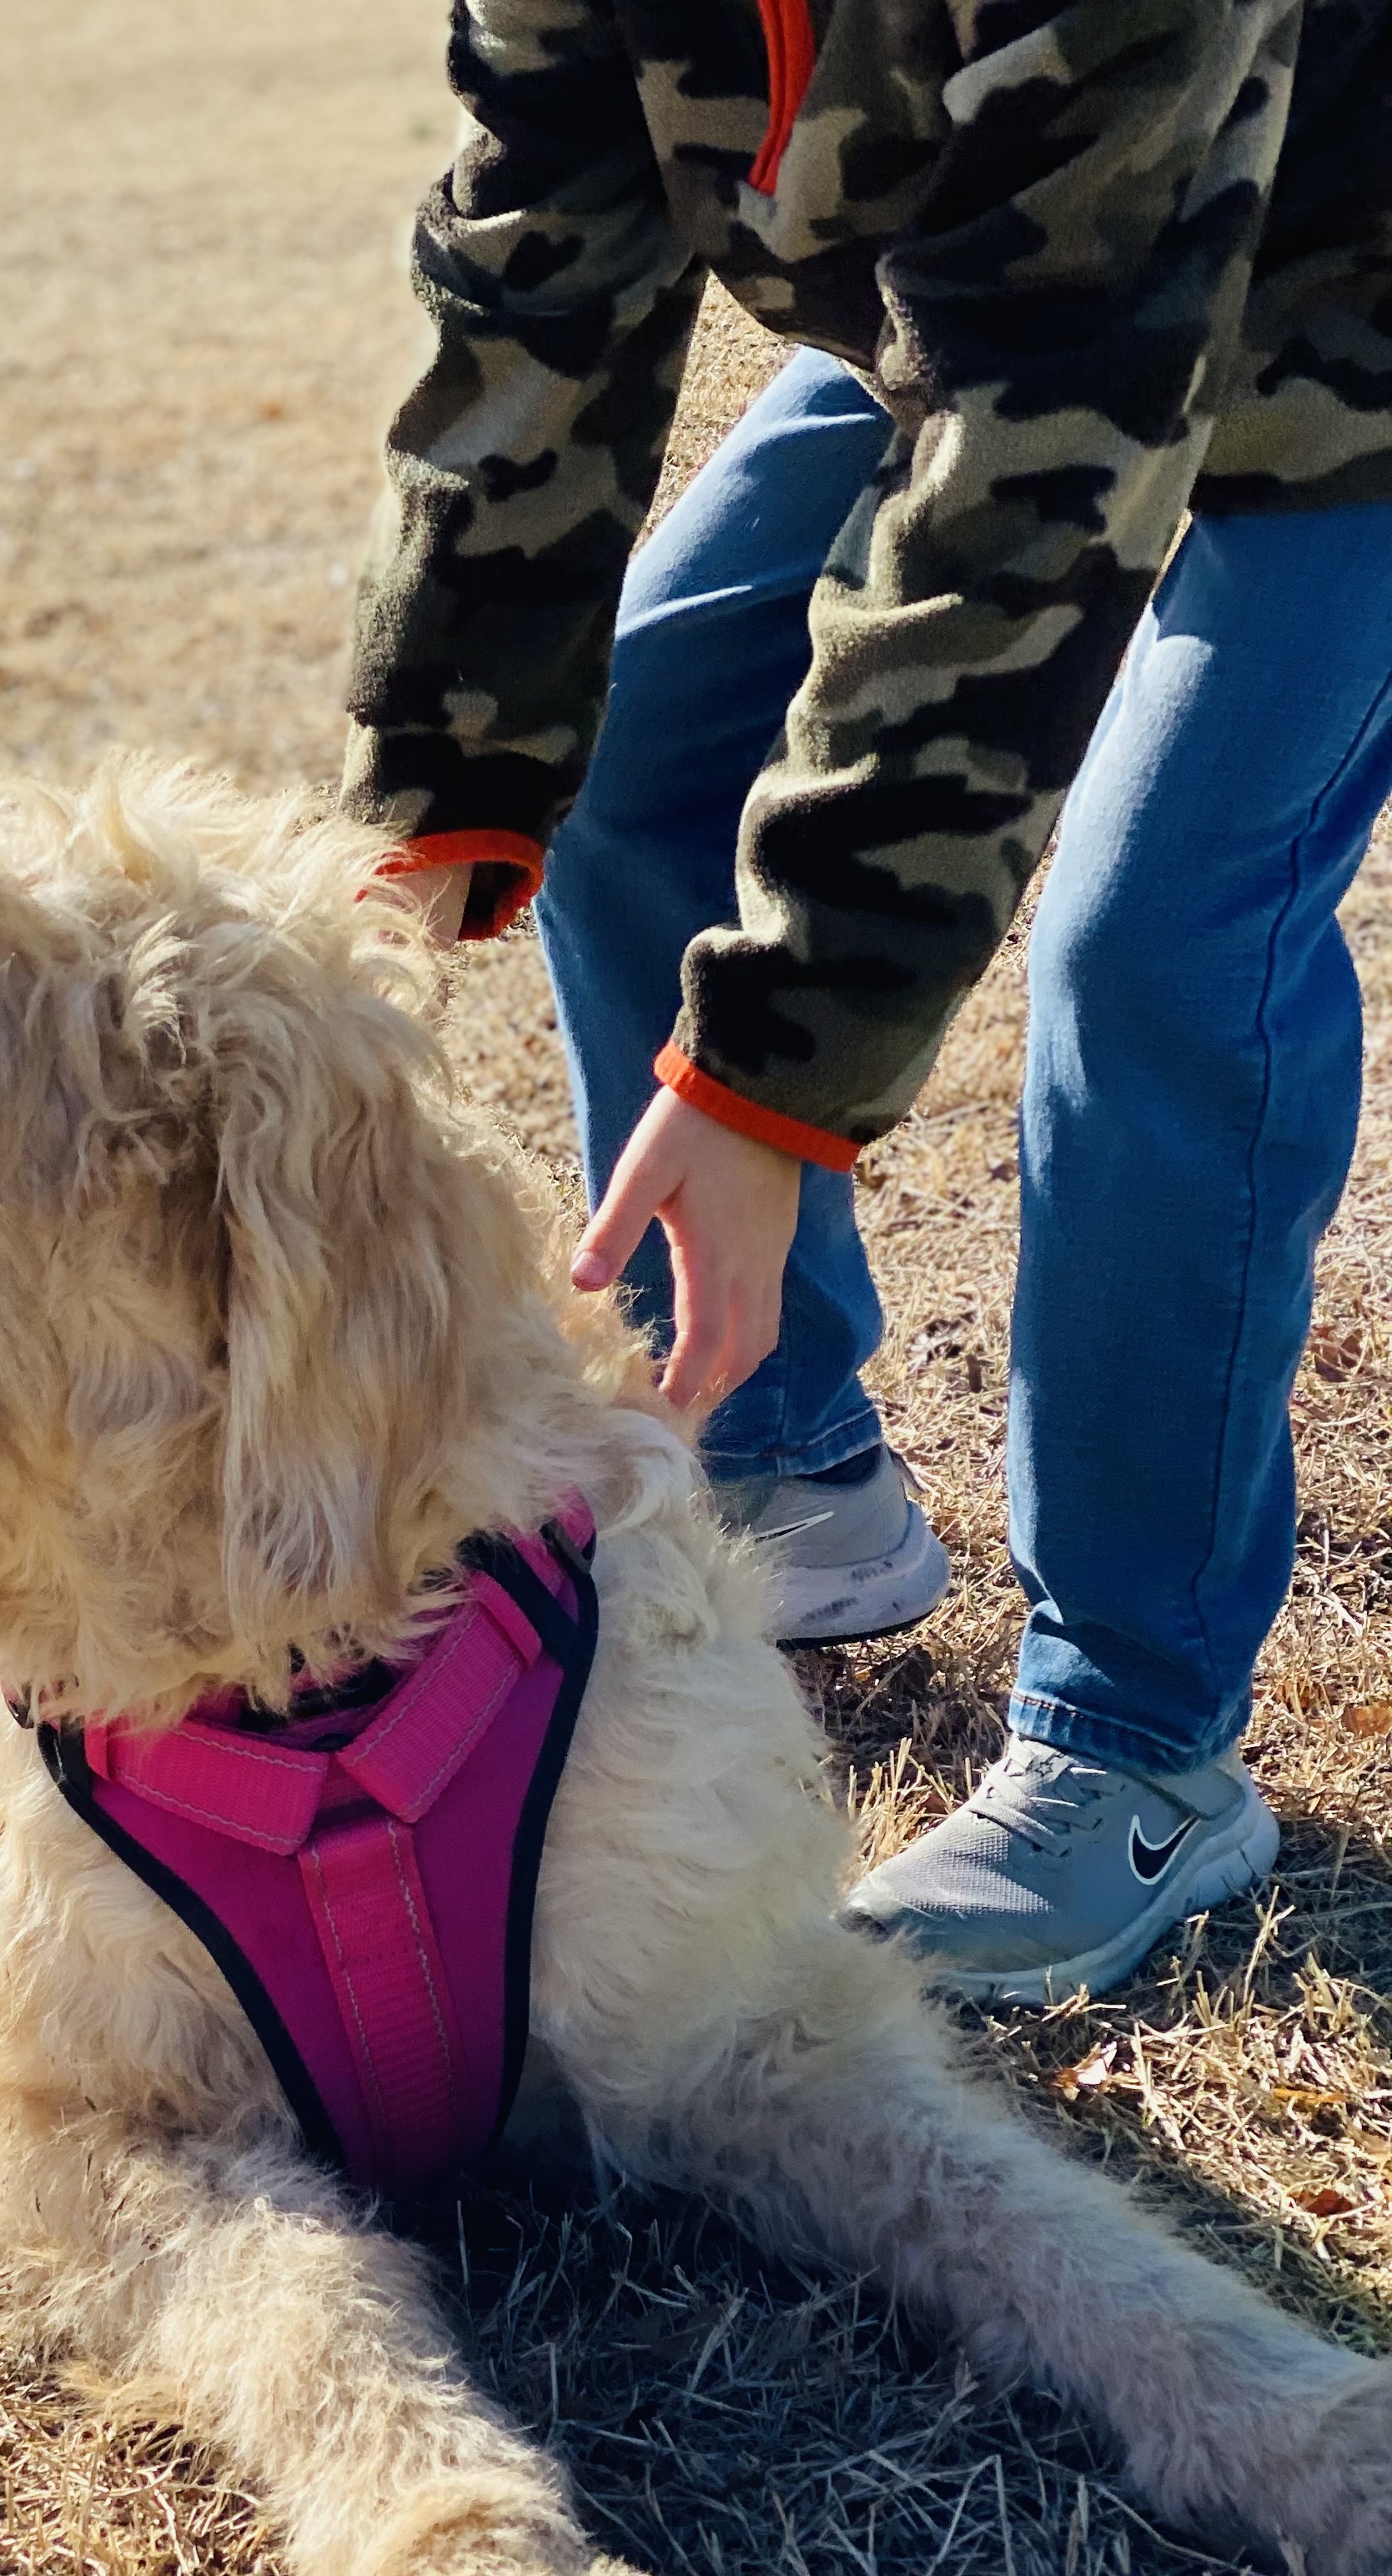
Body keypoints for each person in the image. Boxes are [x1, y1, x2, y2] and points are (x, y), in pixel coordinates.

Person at [342, 0, 1392, 2007]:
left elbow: (1049, 432)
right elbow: (538, 255)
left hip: (1335, 302)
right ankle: (788, 1479)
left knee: (1158, 939)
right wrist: (444, 773)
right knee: (634, 744)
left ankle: (1137, 1739)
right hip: (1017, 289)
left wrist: (775, 1070)